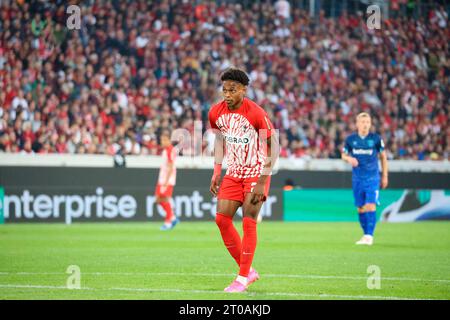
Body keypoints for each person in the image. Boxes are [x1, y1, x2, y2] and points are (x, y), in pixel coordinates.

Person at [209, 67, 278, 292]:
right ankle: (248, 270)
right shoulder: (215, 112)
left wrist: (261, 180)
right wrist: (217, 171)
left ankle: (241, 279)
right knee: (221, 220)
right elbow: (220, 142)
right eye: (224, 90)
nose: (227, 94)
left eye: (232, 90)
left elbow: (273, 146)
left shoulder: (256, 113)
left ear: (243, 90)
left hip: (256, 171)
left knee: (249, 218)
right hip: (234, 171)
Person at [342, 112, 388, 246]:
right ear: (357, 124)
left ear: (370, 124)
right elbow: (343, 155)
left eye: (367, 122)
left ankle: (369, 236)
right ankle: (365, 234)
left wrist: (385, 175)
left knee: (370, 205)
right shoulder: (351, 140)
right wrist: (349, 158)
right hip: (357, 179)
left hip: (372, 178)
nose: (365, 125)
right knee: (360, 208)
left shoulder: (376, 139)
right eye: (362, 122)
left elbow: (383, 157)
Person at [155, 130, 179, 231]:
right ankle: (172, 218)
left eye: (165, 140)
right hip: (163, 179)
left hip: (166, 180)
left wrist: (166, 181)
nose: (163, 142)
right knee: (158, 200)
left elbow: (170, 167)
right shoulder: (166, 150)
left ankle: (168, 222)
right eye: (162, 140)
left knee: (164, 200)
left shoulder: (169, 150)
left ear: (169, 140)